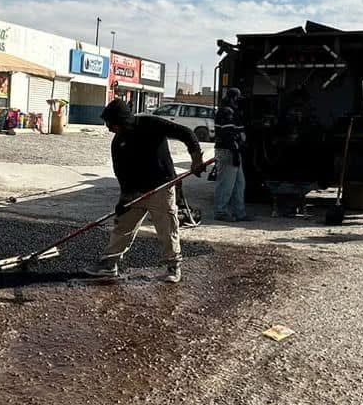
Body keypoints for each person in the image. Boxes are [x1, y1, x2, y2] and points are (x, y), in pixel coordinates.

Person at [88, 99, 205, 283]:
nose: (109, 128)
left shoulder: (151, 124)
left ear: (123, 120)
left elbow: (186, 133)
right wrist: (124, 198)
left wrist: (196, 157)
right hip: (136, 191)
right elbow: (121, 173)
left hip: (161, 187)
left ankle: (173, 266)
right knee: (123, 226)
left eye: (112, 124)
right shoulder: (118, 143)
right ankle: (109, 265)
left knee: (167, 228)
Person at [213, 87, 248, 221]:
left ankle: (239, 212)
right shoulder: (226, 112)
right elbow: (227, 136)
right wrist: (234, 153)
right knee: (225, 185)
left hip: (233, 151)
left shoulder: (231, 111)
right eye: (238, 97)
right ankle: (220, 212)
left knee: (239, 184)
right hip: (228, 151)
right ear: (233, 98)